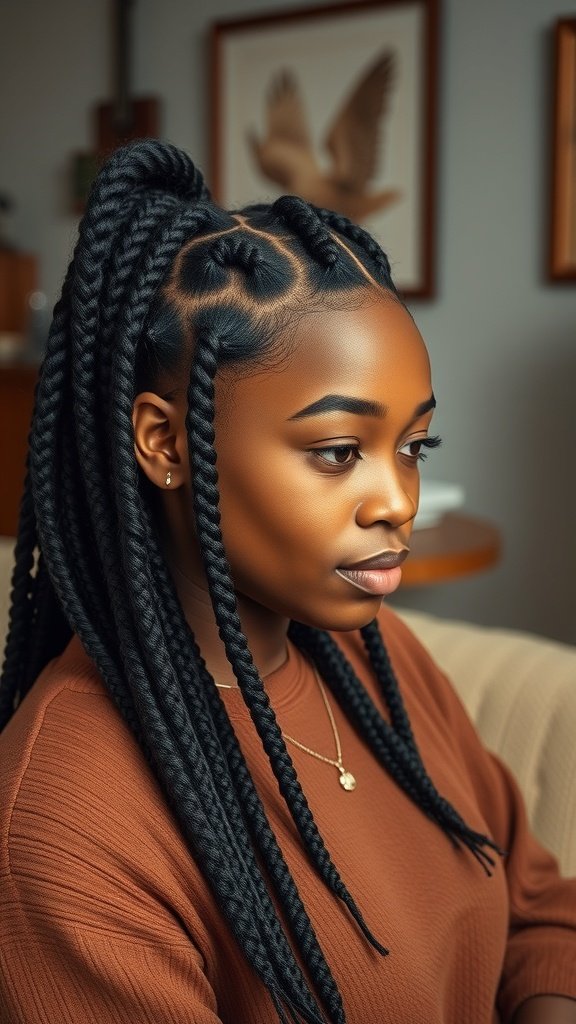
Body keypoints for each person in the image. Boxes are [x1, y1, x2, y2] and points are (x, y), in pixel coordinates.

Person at [0, 140, 574, 1024]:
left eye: (415, 446)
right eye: (338, 451)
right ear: (164, 443)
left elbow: (539, 910)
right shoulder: (67, 821)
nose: (398, 501)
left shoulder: (379, 655)